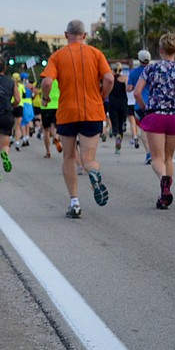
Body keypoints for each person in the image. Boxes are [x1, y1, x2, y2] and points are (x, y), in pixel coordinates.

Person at [40, 19, 113, 219]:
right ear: (85, 36)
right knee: (88, 159)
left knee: (69, 157)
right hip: (92, 112)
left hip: (67, 113)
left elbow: (47, 81)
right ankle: (92, 171)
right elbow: (109, 78)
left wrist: (45, 99)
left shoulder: (57, 56)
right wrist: (102, 96)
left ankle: (75, 203)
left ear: (66, 35)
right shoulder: (96, 54)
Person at [133, 33, 175, 209]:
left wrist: (145, 108)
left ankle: (163, 181)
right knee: (169, 157)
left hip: (156, 115)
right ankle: (164, 195)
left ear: (160, 50)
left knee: (156, 158)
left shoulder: (150, 69)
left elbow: (137, 92)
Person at [128, 50, 153, 164]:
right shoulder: (154, 71)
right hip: (154, 105)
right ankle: (157, 152)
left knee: (144, 130)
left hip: (140, 105)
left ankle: (149, 153)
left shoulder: (133, 73)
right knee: (155, 130)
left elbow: (129, 88)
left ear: (139, 59)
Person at [108, 63, 129, 154]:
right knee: (121, 124)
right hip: (123, 103)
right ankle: (120, 134)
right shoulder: (125, 78)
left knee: (114, 123)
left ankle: (116, 134)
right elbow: (129, 88)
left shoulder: (110, 80)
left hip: (112, 103)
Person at [40, 78, 61, 158]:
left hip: (46, 106)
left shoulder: (46, 78)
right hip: (57, 104)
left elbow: (42, 87)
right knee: (54, 126)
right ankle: (56, 137)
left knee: (46, 130)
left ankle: (48, 151)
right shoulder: (59, 77)